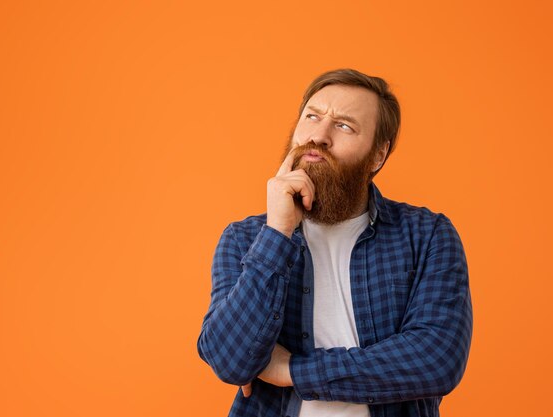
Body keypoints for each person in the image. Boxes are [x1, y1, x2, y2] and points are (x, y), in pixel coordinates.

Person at [197, 68, 472, 417]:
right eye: (311, 117)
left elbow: (436, 358)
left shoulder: (427, 235)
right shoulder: (245, 238)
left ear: (377, 155)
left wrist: (290, 370)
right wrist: (278, 232)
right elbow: (228, 360)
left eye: (344, 125)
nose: (320, 136)